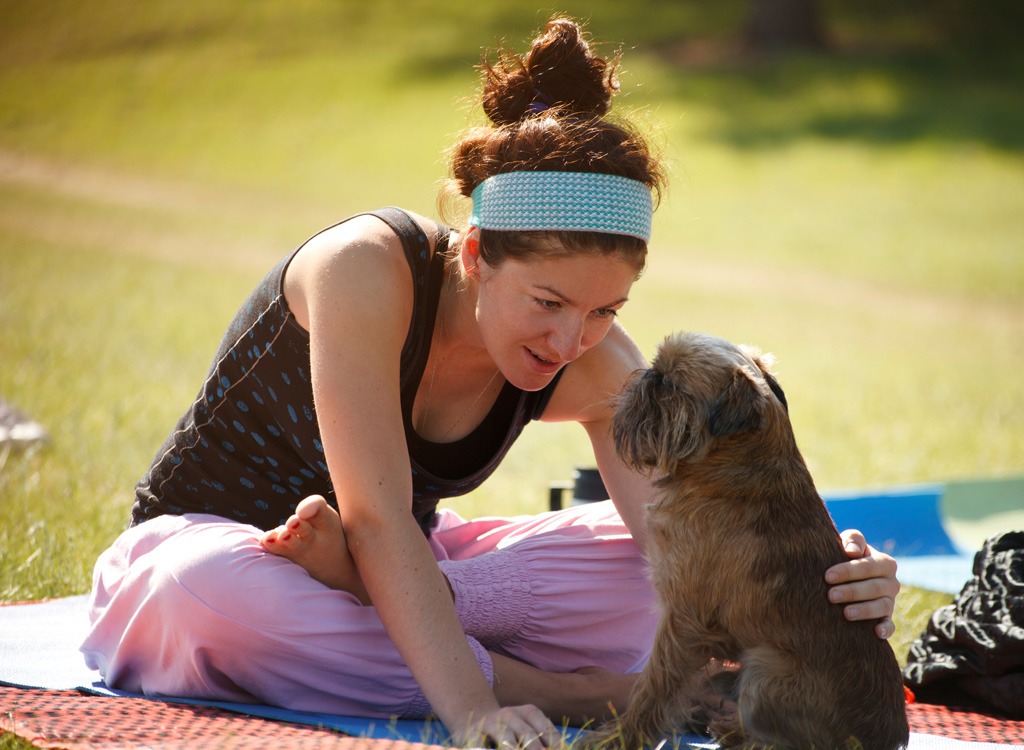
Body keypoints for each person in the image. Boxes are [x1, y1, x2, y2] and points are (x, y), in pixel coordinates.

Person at [81, 18, 901, 749]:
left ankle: (372, 599)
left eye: (604, 310)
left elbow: (681, 533)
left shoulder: (587, 348)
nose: (572, 339)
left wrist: (822, 583)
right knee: (210, 597)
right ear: (476, 256)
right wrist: (475, 708)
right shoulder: (364, 270)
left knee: (661, 573)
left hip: (415, 564)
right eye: (547, 302)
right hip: (209, 555)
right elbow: (375, 519)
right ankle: (570, 690)